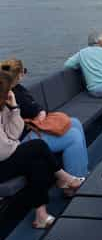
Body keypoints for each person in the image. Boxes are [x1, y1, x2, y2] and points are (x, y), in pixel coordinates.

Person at [0, 71, 84, 229]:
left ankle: (41, 216)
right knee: (37, 146)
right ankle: (65, 178)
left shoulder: (3, 108)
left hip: (6, 157)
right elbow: (3, 151)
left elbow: (13, 133)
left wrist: (14, 109)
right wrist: (17, 146)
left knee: (37, 161)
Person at [1, 59, 88, 177]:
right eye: (24, 71)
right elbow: (33, 111)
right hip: (22, 138)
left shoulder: (17, 90)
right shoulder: (13, 95)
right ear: (19, 74)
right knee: (73, 136)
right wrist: (38, 112)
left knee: (75, 123)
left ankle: (81, 170)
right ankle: (76, 178)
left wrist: (38, 111)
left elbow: (35, 109)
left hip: (28, 128)